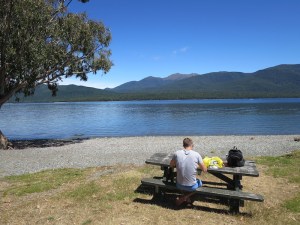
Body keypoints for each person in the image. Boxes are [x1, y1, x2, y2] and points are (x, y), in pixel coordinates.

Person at [170, 137, 207, 206]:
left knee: (181, 179)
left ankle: (184, 196)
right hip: (191, 186)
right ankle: (186, 197)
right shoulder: (196, 154)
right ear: (192, 145)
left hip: (179, 184)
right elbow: (205, 170)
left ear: (183, 145)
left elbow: (171, 165)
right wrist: (197, 166)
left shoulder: (177, 153)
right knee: (200, 183)